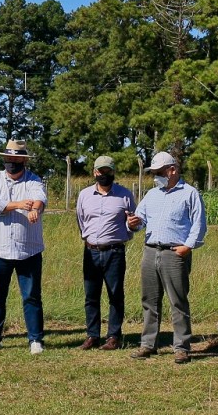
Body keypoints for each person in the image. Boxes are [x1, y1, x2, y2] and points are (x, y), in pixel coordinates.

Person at [130, 151, 206, 364]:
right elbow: (141, 219)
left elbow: (199, 224)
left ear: (172, 170)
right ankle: (148, 344)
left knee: (177, 301)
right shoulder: (152, 195)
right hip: (150, 251)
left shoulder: (190, 193)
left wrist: (187, 247)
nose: (155, 176)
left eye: (159, 172)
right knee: (149, 300)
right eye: (153, 173)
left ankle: (181, 347)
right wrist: (133, 223)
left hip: (174, 253)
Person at [0, 139, 48, 354]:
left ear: (24, 160)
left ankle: (35, 339)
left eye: (16, 158)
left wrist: (35, 209)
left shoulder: (34, 180)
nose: (12, 162)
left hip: (29, 250)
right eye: (9, 158)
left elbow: (39, 199)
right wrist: (18, 205)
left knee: (31, 296)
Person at [75, 155, 141, 350]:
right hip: (91, 252)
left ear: (113, 172)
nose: (104, 175)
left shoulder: (125, 195)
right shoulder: (84, 195)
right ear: (94, 172)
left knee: (115, 294)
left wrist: (131, 227)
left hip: (115, 252)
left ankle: (113, 336)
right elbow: (81, 221)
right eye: (101, 171)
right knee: (91, 295)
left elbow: (134, 223)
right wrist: (88, 240)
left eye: (108, 171)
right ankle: (92, 336)